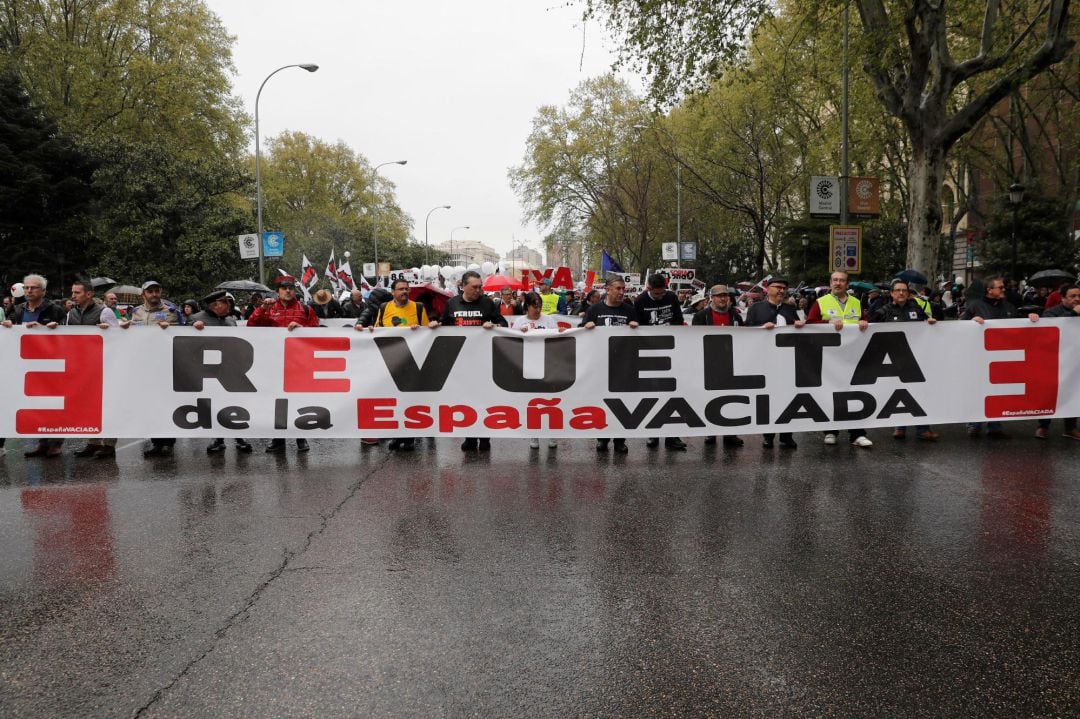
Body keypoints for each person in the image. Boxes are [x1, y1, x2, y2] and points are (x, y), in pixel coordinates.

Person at [247, 275, 320, 453]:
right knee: (276, 401)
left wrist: (303, 330)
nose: (288, 290)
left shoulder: (305, 309)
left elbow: (318, 332)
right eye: (284, 288)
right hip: (274, 363)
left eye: (291, 288)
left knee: (298, 400)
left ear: (294, 290)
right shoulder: (269, 308)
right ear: (278, 291)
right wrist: (261, 310)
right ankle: (278, 439)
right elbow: (252, 327)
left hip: (299, 363)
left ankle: (300, 438)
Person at [961, 275, 1041, 438]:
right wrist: (971, 321)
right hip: (979, 356)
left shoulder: (1009, 306)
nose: (1004, 290)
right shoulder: (975, 306)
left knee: (998, 390)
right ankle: (974, 423)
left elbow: (1018, 326)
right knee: (979, 390)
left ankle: (995, 425)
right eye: (1000, 287)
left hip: (1003, 356)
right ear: (989, 290)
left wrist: (1030, 319)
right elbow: (960, 326)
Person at [437, 270, 506, 451]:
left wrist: (494, 325)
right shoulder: (451, 303)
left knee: (483, 400)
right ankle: (469, 437)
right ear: (463, 286)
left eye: (480, 286)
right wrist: (435, 325)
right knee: (466, 401)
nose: (479, 290)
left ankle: (484, 438)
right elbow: (444, 325)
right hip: (461, 361)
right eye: (474, 287)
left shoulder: (487, 303)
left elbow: (504, 324)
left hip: (484, 361)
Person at [2, 275, 69, 458]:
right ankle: (42, 442)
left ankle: (55, 443)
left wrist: (50, 328)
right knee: (36, 405)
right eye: (27, 287)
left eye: (34, 287)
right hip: (26, 365)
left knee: (53, 405)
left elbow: (69, 333)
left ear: (43, 291)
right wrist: (8, 326)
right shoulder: (16, 309)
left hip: (51, 364)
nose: (29, 290)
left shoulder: (55, 310)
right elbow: (10, 331)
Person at [806, 271, 873, 448]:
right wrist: (827, 324)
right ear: (830, 283)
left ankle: (857, 434)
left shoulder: (857, 303)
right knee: (831, 394)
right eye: (835, 280)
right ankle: (830, 431)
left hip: (852, 356)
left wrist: (864, 323)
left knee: (856, 393)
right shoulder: (820, 302)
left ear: (847, 284)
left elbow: (865, 323)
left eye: (842, 280)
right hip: (829, 357)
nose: (838, 283)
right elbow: (810, 323)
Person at [870, 279, 939, 441]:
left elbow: (928, 327)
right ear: (892, 293)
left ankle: (923, 429)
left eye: (904, 291)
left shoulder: (917, 309)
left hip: (915, 359)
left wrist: (931, 323)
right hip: (893, 360)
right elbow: (870, 330)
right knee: (897, 393)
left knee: (919, 393)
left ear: (908, 294)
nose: (901, 293)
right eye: (898, 290)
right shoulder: (883, 311)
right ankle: (900, 426)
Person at [190, 290, 255, 454]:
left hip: (232, 370)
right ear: (215, 304)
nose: (229, 305)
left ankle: (239, 437)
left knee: (234, 404)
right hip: (208, 372)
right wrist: (192, 328)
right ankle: (218, 439)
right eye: (225, 302)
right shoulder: (196, 319)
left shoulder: (231, 320)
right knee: (214, 405)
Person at [121, 280, 181, 456]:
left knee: (166, 404)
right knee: (150, 405)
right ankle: (156, 442)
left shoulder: (170, 311)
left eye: (157, 291)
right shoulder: (136, 312)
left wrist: (170, 328)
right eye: (150, 292)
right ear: (143, 295)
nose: (154, 294)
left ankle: (168, 442)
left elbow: (182, 333)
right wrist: (125, 328)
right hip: (144, 366)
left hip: (165, 365)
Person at [62, 280, 121, 458]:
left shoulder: (105, 311)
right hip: (81, 368)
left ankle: (109, 445)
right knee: (88, 406)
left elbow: (118, 337)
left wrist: (108, 331)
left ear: (89, 294)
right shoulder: (70, 313)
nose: (73, 296)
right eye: (72, 292)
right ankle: (92, 442)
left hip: (103, 367)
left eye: (77, 292)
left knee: (107, 406)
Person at [745, 276, 804, 449]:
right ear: (768, 289)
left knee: (788, 399)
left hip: (787, 362)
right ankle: (768, 436)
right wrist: (761, 328)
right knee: (768, 400)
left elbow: (798, 329)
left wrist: (800, 325)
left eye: (783, 288)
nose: (781, 290)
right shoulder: (756, 309)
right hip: (766, 362)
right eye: (777, 287)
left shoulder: (790, 309)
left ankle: (786, 436)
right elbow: (746, 330)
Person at [582, 277, 638, 454]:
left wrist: (636, 327)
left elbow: (641, 336)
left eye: (623, 289)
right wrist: (586, 325)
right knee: (602, 402)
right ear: (607, 289)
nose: (621, 292)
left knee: (622, 403)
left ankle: (620, 440)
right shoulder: (595, 310)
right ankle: (603, 438)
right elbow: (580, 332)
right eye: (618, 288)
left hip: (623, 366)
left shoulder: (629, 310)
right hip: (601, 365)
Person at [634, 274, 688, 451]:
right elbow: (638, 326)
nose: (660, 297)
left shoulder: (671, 297)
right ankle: (653, 433)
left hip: (672, 350)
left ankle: (673, 436)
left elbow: (679, 319)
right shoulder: (640, 301)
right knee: (653, 395)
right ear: (648, 289)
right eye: (657, 295)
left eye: (662, 293)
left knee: (673, 394)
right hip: (649, 353)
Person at [509, 292, 565, 449]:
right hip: (529, 367)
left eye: (540, 305)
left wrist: (559, 332)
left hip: (548, 366)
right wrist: (520, 334)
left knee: (551, 402)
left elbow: (557, 340)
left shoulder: (548, 320)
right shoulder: (520, 321)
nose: (538, 309)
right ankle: (534, 435)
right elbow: (512, 342)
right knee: (533, 402)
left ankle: (552, 434)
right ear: (527, 306)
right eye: (535, 306)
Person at [692, 284, 745, 448]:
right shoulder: (701, 316)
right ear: (711, 298)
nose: (723, 298)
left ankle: (730, 433)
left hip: (731, 363)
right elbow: (693, 339)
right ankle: (710, 432)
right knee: (710, 398)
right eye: (719, 295)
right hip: (709, 363)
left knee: (731, 398)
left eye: (725, 296)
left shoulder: (736, 316)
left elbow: (744, 337)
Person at [1035, 284, 1080, 440]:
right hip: (1054, 360)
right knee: (1050, 393)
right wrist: (1074, 315)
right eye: (1072, 296)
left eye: (1078, 296)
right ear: (1063, 298)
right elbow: (1048, 330)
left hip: (1075, 361)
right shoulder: (1052, 313)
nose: (1077, 299)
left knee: (1074, 392)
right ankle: (1043, 426)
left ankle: (1070, 428)